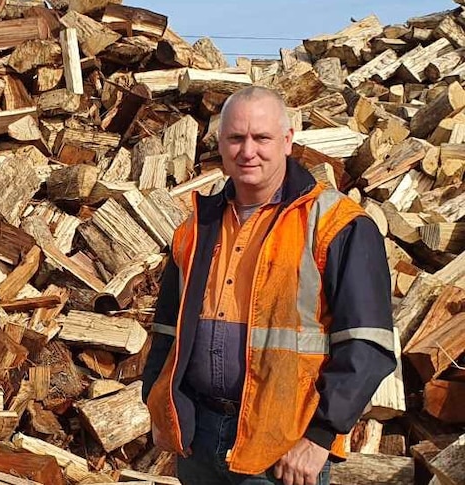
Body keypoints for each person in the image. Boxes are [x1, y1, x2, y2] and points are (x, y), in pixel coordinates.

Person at [141, 86, 397, 485]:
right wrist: (159, 406)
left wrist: (318, 438)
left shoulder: (336, 224)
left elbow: (367, 344)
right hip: (199, 438)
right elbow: (166, 331)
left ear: (287, 140)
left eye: (261, 138)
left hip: (283, 448)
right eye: (236, 138)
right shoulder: (196, 227)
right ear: (220, 143)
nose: (248, 151)